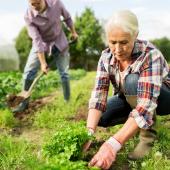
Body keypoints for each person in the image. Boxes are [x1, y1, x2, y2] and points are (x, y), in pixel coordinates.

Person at [84, 10, 170, 170]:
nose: (117, 49)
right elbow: (98, 95)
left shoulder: (151, 55)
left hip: (163, 98)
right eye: (112, 42)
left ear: (135, 34)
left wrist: (112, 144)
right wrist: (89, 132)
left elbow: (145, 106)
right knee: (101, 117)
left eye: (124, 42)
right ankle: (134, 122)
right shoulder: (106, 57)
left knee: (132, 80)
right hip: (132, 96)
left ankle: (147, 136)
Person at [13, 0, 78, 113]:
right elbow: (37, 40)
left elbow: (67, 17)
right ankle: (24, 102)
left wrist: (73, 32)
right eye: (32, 4)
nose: (35, 6)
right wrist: (43, 63)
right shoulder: (29, 16)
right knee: (29, 71)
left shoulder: (56, 3)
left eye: (38, 3)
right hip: (41, 43)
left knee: (64, 73)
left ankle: (67, 100)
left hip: (59, 40)